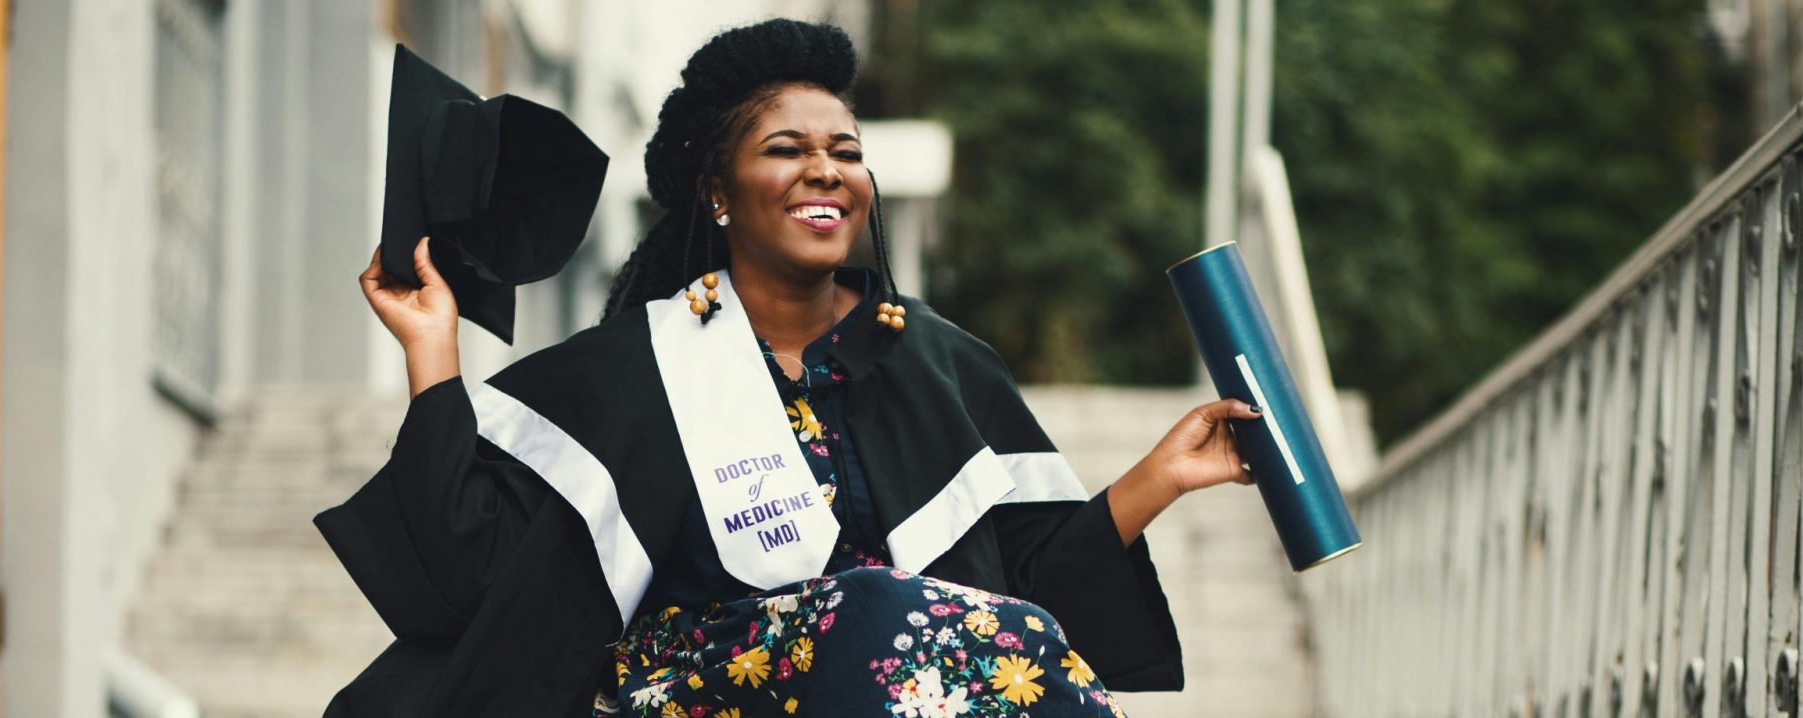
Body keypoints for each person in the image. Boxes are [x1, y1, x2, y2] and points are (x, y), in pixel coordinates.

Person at [322, 18, 1260, 718]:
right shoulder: (637, 370)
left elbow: (1023, 606)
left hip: (906, 691)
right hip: (696, 696)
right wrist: (432, 352)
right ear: (717, 193)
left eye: (846, 152)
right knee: (873, 610)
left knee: (939, 627)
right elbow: (470, 570)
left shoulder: (939, 363)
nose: (826, 169)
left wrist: (1160, 477)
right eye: (788, 149)